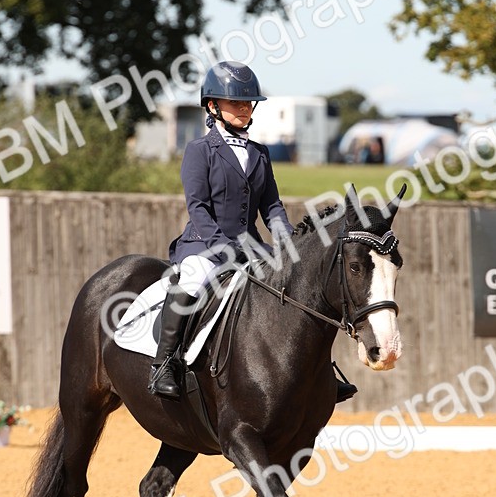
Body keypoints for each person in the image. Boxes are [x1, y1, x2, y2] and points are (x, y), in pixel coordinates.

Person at [148, 61, 357, 403]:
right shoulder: (199, 151)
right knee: (190, 281)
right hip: (204, 245)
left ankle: (321, 371)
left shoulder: (259, 154)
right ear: (213, 106)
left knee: (297, 287)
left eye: (248, 103)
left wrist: (289, 242)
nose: (245, 108)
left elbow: (271, 207)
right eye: (236, 103)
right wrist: (221, 246)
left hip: (252, 248)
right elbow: (197, 207)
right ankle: (164, 364)